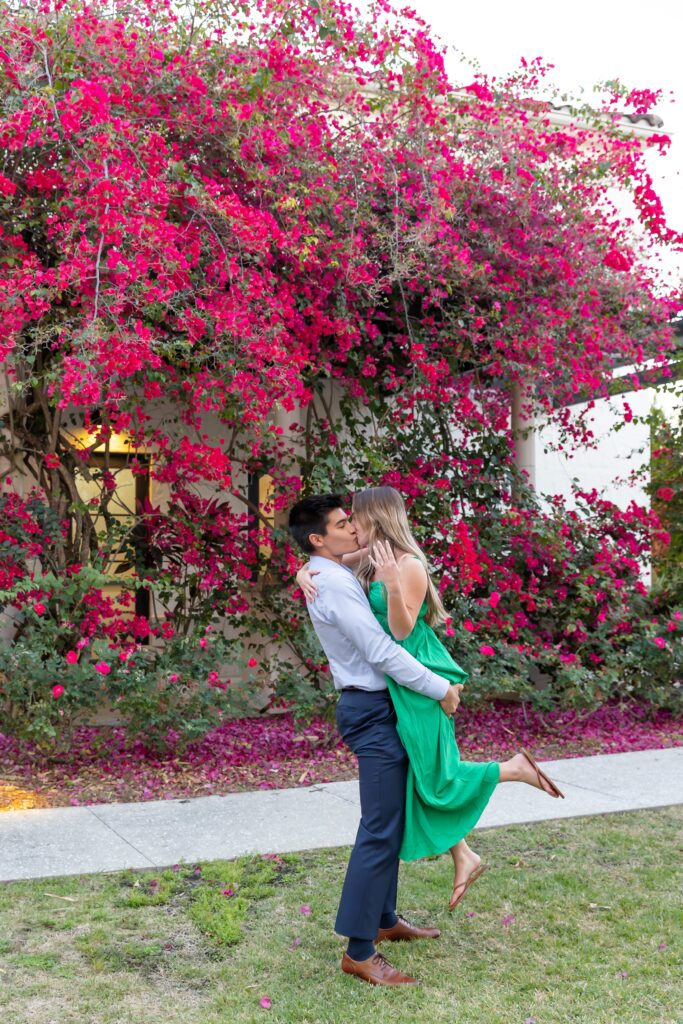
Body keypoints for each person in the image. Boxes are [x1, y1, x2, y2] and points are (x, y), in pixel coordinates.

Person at [295, 486, 564, 917]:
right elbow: (324, 559)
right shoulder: (367, 556)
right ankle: (464, 854)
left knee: (433, 774)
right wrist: (302, 571)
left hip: (418, 674)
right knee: (418, 775)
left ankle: (511, 770)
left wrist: (391, 586)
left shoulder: (408, 566)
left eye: (355, 520)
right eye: (345, 524)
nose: (352, 528)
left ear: (375, 519)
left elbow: (400, 633)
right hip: (399, 681)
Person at [288, 493, 463, 988]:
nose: (355, 530)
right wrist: (439, 688)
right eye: (345, 525)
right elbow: (381, 650)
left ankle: (384, 920)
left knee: (390, 820)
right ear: (320, 538)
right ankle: (359, 952)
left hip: (380, 706)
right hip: (371, 708)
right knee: (379, 829)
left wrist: (301, 568)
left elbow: (367, 558)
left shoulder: (333, 569)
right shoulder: (336, 584)